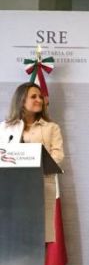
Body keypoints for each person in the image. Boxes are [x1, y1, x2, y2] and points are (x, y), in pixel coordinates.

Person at [0, 82, 64, 243]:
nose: (39, 100)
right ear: (21, 100)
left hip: (42, 184)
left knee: (40, 236)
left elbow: (58, 154)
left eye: (40, 97)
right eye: (33, 96)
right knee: (15, 236)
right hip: (13, 188)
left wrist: (38, 164)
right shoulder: (5, 128)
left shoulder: (51, 127)